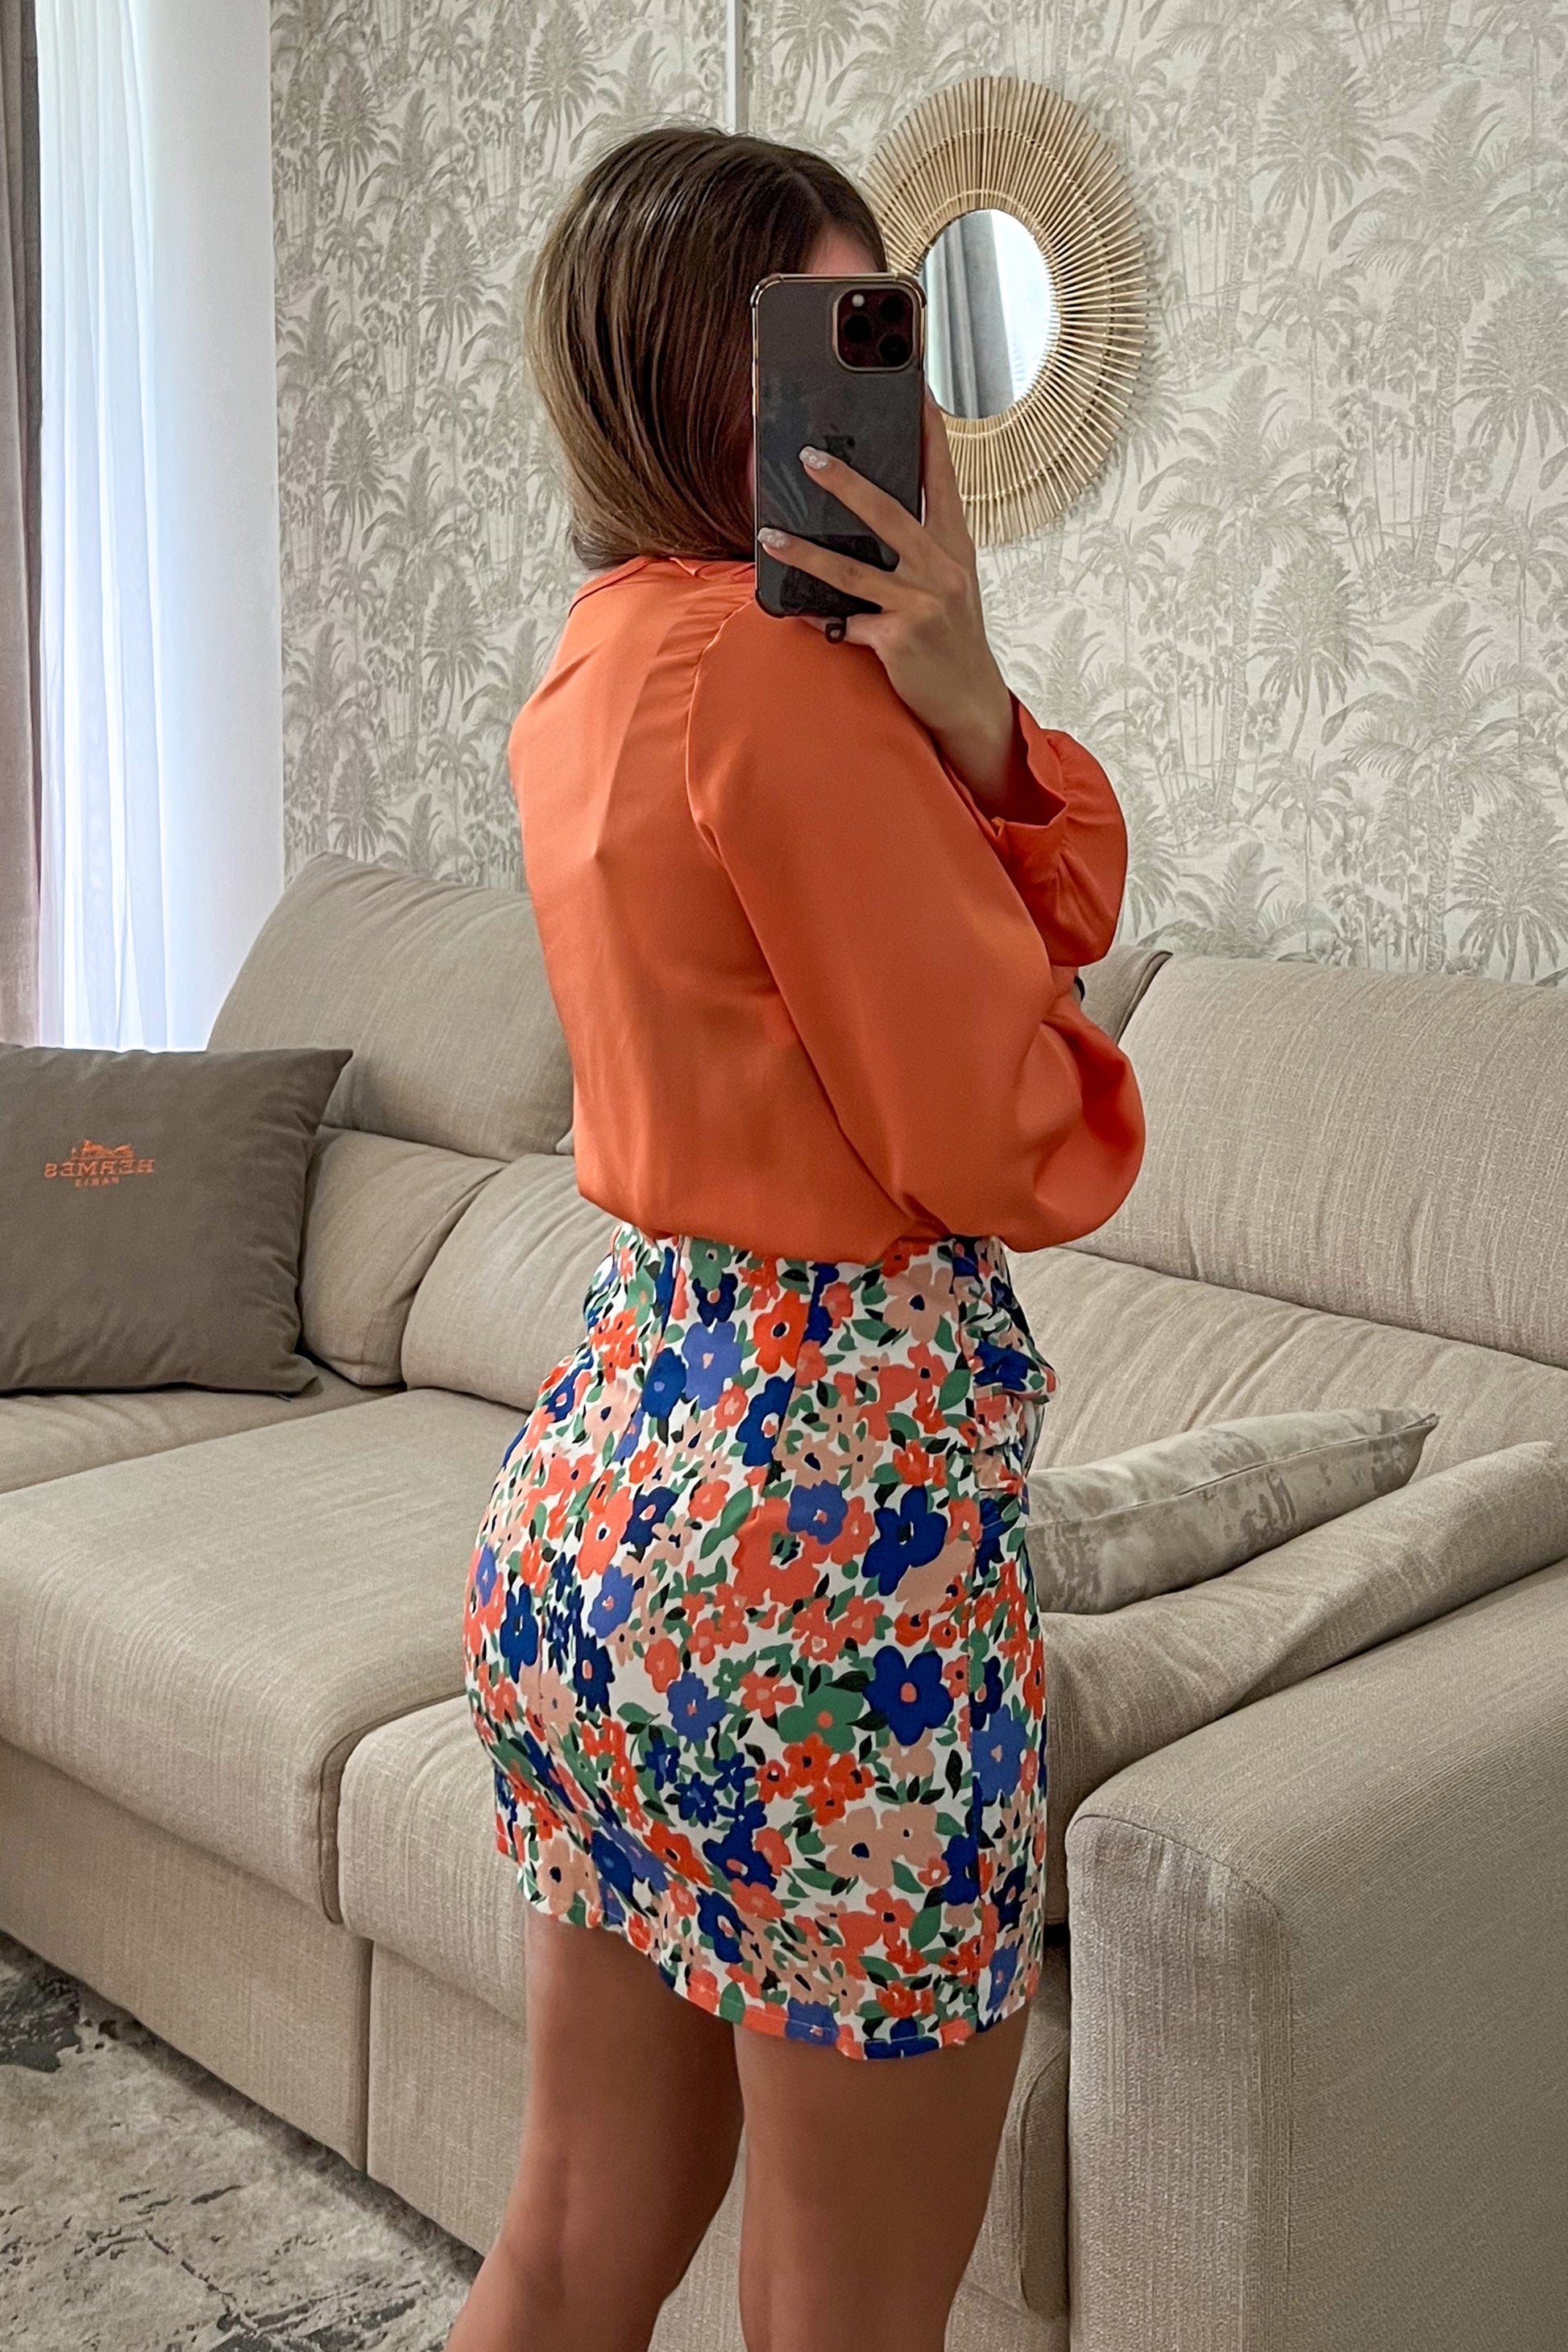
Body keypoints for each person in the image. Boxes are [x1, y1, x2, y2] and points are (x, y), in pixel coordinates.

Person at [450, 123, 1145, 2352]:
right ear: (685, 381)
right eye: (824, 341)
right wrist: (956, 756)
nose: (887, 396)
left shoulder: (592, 664)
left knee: (566, 2249)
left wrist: (971, 712)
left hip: (599, 1510)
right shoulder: (778, 687)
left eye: (886, 331)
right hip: (821, 1567)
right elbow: (1012, 1136)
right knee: (844, 2322)